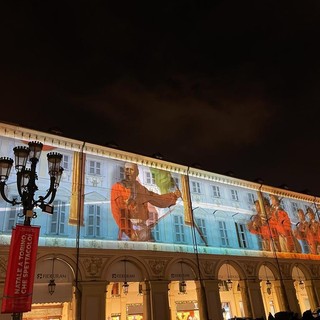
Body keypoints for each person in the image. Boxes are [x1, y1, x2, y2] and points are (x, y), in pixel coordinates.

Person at [111, 162, 181, 241]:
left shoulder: (141, 189)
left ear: (137, 173)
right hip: (128, 230)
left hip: (143, 228)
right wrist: (130, 233)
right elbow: (117, 213)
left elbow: (157, 199)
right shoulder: (117, 188)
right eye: (127, 169)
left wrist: (174, 196)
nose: (128, 172)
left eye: (131, 170)